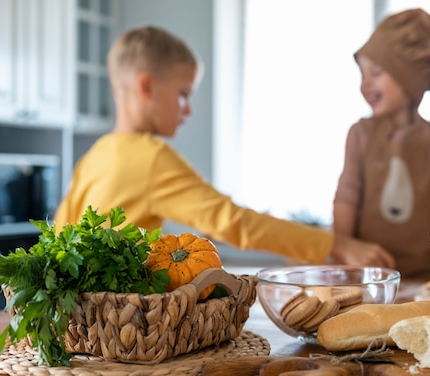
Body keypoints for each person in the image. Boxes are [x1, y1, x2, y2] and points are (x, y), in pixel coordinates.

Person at [54, 25, 394, 268]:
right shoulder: (150, 158)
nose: (189, 109)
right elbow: (233, 222)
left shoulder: (97, 154)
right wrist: (336, 244)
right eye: (184, 93)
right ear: (147, 87)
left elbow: (57, 235)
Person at [332, 9, 430, 280]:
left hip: (423, 278)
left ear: (410, 79)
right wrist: (342, 250)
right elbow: (346, 197)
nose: (365, 84)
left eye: (377, 72)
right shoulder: (360, 134)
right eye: (362, 74)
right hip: (365, 279)